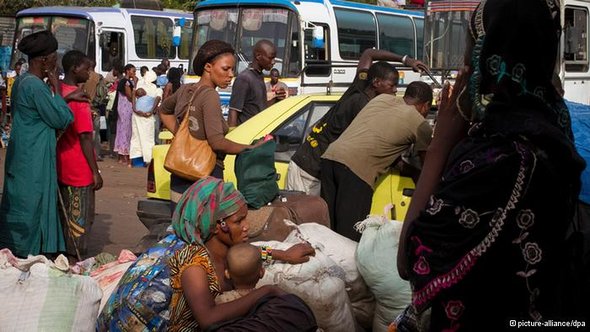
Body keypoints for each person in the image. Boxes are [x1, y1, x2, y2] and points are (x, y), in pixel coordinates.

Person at [397, 0, 586, 329]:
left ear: (487, 57)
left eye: (469, 50)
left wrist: (440, 144)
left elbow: (410, 262)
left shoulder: (498, 158)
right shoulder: (553, 132)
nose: (463, 65)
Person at [97, 177, 317, 331]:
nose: (246, 226)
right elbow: (208, 319)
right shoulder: (193, 263)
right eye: (239, 221)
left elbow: (242, 255)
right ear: (216, 225)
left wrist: (282, 254)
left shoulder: (207, 240)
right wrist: (266, 291)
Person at [287, 50, 428, 195]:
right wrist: (416, 173)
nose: (395, 90)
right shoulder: (365, 109)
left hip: (317, 165)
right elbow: (381, 152)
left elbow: (368, 54)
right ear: (377, 82)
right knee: (310, 217)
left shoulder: (360, 85)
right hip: (310, 171)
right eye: (391, 85)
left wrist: (405, 59)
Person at [0, 30, 86, 258]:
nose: (56, 61)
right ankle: (27, 253)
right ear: (45, 60)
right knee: (33, 204)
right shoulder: (36, 87)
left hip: (24, 154)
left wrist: (61, 97)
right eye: (54, 56)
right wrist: (58, 89)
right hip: (33, 157)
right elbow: (62, 118)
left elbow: (42, 112)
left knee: (24, 200)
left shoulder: (22, 82)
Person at [320, 70, 433, 241]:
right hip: (356, 171)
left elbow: (377, 138)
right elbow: (428, 167)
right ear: (425, 105)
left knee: (329, 230)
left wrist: (405, 168)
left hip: (330, 157)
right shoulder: (420, 123)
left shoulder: (382, 99)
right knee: (349, 237)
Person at [159, 40, 264, 209]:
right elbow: (218, 143)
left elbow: (163, 111)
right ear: (208, 67)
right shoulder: (210, 96)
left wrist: (181, 135)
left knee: (181, 228)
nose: (231, 75)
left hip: (180, 173)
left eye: (232, 69)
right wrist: (251, 148)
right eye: (225, 68)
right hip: (206, 178)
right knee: (206, 231)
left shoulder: (186, 89)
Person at [57, 50, 104, 258]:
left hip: (61, 164)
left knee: (63, 214)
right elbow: (85, 138)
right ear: (75, 69)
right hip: (79, 168)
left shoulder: (59, 92)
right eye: (88, 69)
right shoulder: (80, 99)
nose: (90, 73)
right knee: (80, 219)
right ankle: (76, 257)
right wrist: (95, 171)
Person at [228, 39, 279, 127]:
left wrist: (276, 98)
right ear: (258, 56)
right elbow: (233, 111)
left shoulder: (259, 76)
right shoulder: (244, 79)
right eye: (270, 58)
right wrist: (232, 135)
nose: (273, 62)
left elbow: (258, 108)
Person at [130, 69, 161, 165]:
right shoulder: (155, 88)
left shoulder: (139, 84)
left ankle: (137, 162)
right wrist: (151, 111)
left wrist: (135, 110)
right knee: (148, 139)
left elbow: (133, 97)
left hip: (137, 115)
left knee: (136, 138)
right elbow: (158, 98)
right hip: (148, 117)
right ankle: (148, 160)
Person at [84, 59, 107, 161]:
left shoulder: (82, 77)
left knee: (85, 132)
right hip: (95, 108)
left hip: (84, 107)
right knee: (96, 132)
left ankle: (85, 153)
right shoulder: (99, 77)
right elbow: (103, 93)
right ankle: (96, 155)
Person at [114, 63, 136, 166]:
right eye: (133, 71)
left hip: (121, 108)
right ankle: (124, 155)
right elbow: (129, 95)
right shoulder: (127, 82)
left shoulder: (122, 81)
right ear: (128, 71)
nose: (134, 73)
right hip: (126, 108)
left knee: (121, 129)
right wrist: (135, 86)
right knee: (126, 130)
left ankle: (120, 155)